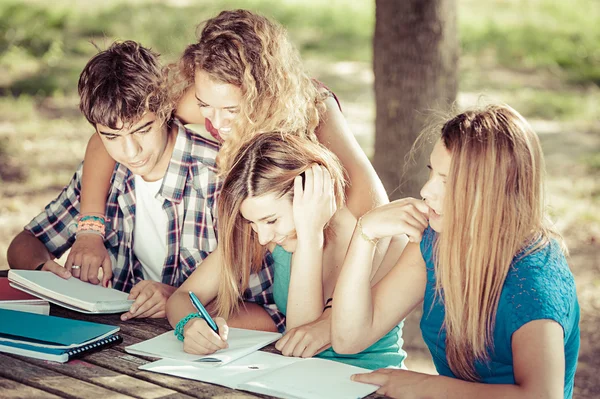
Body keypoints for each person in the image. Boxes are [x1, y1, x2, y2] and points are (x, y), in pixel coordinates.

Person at [65, 9, 389, 291]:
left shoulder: (314, 114)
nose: (217, 123)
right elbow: (106, 136)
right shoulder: (208, 99)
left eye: (232, 110)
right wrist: (91, 230)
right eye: (205, 105)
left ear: (264, 93)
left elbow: (373, 210)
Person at [6, 41, 276, 324]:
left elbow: (268, 313)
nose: (130, 152)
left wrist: (180, 300)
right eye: (111, 136)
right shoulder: (107, 173)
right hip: (121, 343)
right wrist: (44, 270)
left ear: (164, 112)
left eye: (143, 129)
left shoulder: (220, 181)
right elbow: (24, 244)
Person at [331, 104, 580, 398]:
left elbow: (542, 396)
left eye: (447, 181)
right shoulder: (438, 241)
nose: (426, 191)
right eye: (432, 173)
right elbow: (350, 338)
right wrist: (365, 234)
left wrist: (427, 386)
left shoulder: (533, 283)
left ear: (490, 191)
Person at [166, 133, 408, 369]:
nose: (262, 238)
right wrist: (190, 324)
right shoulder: (273, 237)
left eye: (271, 220)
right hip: (297, 380)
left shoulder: (381, 240)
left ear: (310, 194)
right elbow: (183, 296)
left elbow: (302, 340)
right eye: (253, 223)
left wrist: (310, 236)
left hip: (373, 383)